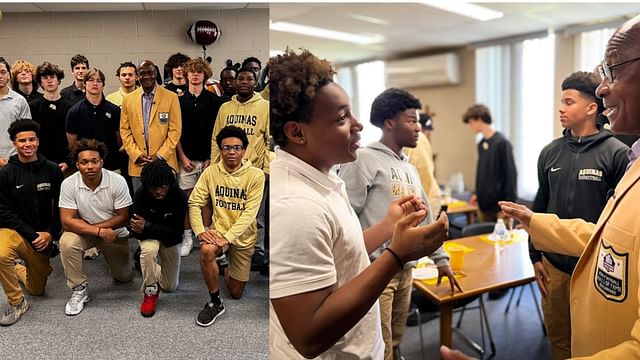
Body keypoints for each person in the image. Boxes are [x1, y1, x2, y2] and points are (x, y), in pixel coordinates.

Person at [269, 49, 449, 359]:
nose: (358, 125)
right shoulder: (294, 205)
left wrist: (387, 226)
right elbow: (308, 336)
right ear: (297, 132)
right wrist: (396, 255)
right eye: (341, 118)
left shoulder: (325, 180)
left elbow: (344, 253)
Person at [492, 14, 640, 359]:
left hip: (603, 279)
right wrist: (535, 232)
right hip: (562, 267)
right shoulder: (628, 157)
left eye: (612, 71)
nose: (604, 88)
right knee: (561, 340)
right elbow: (609, 235)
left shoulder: (617, 154)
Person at [339, 88, 461, 360]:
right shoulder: (364, 159)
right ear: (389, 122)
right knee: (377, 345)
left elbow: (425, 214)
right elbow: (344, 216)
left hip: (405, 269)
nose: (418, 128)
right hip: (374, 270)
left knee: (395, 340)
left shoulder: (408, 167)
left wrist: (440, 259)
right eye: (411, 120)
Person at [529, 71, 629, 360]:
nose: (561, 108)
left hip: (597, 266)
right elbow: (540, 205)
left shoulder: (617, 154)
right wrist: (536, 256)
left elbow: (619, 217)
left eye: (568, 101)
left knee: (596, 341)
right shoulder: (550, 153)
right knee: (559, 339)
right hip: (554, 266)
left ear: (591, 107)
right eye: (561, 101)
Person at [188, 125, 264, 326]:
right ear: (220, 150)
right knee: (206, 250)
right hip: (219, 231)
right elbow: (195, 202)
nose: (231, 152)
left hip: (243, 236)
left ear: (244, 151)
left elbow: (250, 214)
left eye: (237, 148)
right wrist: (200, 232)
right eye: (226, 148)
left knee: (236, 292)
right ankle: (215, 302)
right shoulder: (211, 172)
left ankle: (223, 263)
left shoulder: (255, 176)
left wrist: (228, 238)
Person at [58, 139, 133, 316]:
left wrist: (99, 231)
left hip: (114, 234)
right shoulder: (69, 183)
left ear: (102, 162)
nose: (90, 166)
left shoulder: (117, 181)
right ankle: (79, 288)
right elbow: (67, 221)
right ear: (77, 164)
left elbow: (123, 218)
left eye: (94, 161)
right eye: (84, 162)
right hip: (87, 232)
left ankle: (110, 254)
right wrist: (97, 232)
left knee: (124, 277)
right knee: (67, 242)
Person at [0, 119, 63, 326]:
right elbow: (3, 211)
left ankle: (20, 269)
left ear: (38, 141)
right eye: (22, 141)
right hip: (16, 231)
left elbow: (61, 207)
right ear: (14, 143)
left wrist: (51, 233)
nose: (28, 144)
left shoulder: (53, 170)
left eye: (31, 139)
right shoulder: (6, 173)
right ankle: (17, 302)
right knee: (1, 254)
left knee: (37, 290)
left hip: (43, 235)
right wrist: (32, 235)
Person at [177, 57, 229, 256]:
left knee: (207, 201)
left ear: (205, 76)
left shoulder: (215, 102)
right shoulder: (179, 102)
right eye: (192, 71)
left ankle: (207, 235)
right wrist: (182, 158)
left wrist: (211, 158)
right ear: (187, 74)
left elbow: (218, 133)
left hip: (209, 160)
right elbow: (176, 133)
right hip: (187, 160)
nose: (195, 75)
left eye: (199, 72)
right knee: (188, 200)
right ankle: (188, 237)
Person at [130, 159, 187, 318]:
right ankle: (150, 289)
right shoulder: (141, 194)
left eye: (163, 186)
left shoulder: (180, 196)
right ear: (147, 186)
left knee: (170, 286)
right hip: (150, 239)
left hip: (169, 239)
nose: (159, 191)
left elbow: (177, 234)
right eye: (154, 187)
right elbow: (136, 232)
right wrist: (148, 229)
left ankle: (145, 265)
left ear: (170, 183)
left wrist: (147, 226)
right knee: (148, 250)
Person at [120, 60, 181, 193]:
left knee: (166, 205)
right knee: (141, 206)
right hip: (138, 164)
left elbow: (175, 131)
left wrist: (159, 156)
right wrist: (136, 154)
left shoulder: (171, 97)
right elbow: (125, 131)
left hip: (165, 163)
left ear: (155, 74)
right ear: (137, 76)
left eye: (150, 72)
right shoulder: (128, 100)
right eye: (142, 73)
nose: (146, 76)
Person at [463, 104, 517, 222]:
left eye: (471, 122)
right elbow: (482, 173)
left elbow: (511, 176)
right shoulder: (481, 144)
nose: (470, 126)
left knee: (502, 239)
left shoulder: (501, 143)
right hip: (484, 205)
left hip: (500, 208)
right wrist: (477, 194)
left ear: (479, 119)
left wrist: (510, 206)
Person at [65, 68, 122, 172]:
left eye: (99, 80)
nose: (95, 83)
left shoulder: (115, 110)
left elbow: (118, 141)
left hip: (111, 165)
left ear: (103, 85)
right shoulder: (74, 112)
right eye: (91, 80)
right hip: (85, 167)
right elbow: (72, 145)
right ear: (84, 83)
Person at [29, 62, 71, 173]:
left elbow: (73, 138)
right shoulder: (33, 107)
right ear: (40, 82)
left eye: (52, 77)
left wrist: (68, 161)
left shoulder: (70, 107)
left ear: (59, 80)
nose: (49, 80)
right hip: (39, 162)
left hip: (65, 163)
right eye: (45, 78)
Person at [403, 112, 443, 214]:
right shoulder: (419, 139)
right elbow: (423, 169)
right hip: (425, 198)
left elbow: (423, 170)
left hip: (425, 199)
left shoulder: (418, 139)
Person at [0, 58, 31, 168]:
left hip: (15, 162)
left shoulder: (19, 100)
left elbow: (26, 132)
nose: (0, 76)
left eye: (3, 72)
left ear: (8, 75)